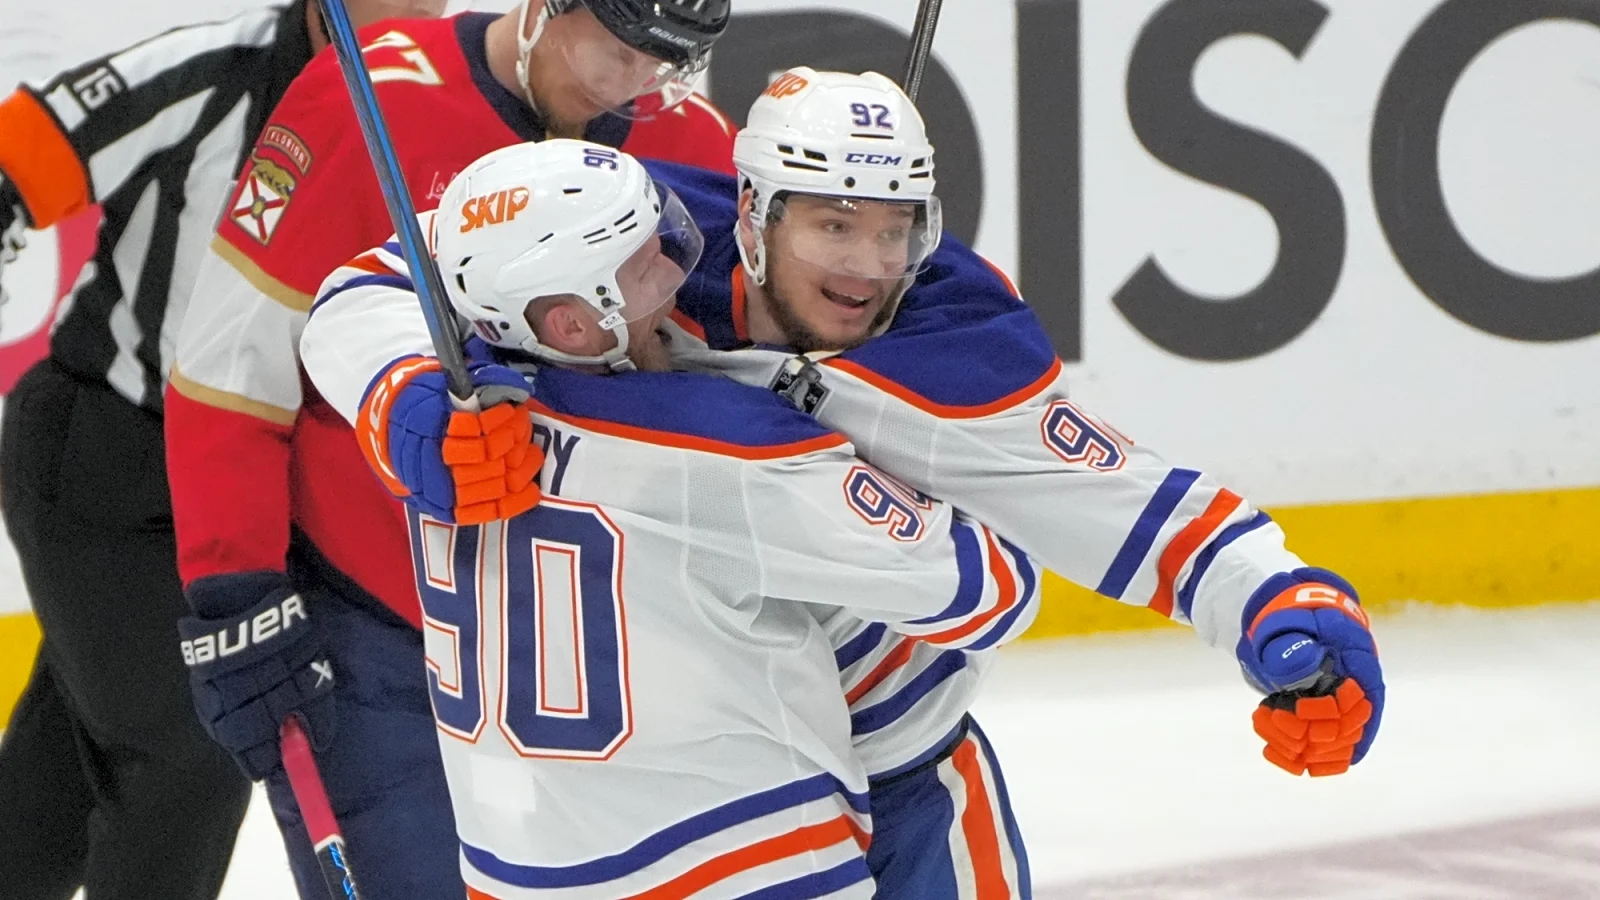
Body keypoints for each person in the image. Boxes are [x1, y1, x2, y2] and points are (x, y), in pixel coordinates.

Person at [298, 137, 1042, 899]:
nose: (678, 271)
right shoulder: (726, 450)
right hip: (755, 860)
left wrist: (396, 389)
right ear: (572, 324)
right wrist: (899, 446)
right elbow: (993, 592)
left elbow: (362, 292)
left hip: (520, 872)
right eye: (642, 263)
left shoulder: (455, 434)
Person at [659, 66, 1386, 784]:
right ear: (754, 214)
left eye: (894, 232)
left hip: (900, 769)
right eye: (834, 227)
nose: (868, 269)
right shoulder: (644, 264)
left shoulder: (952, 356)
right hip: (687, 767)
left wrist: (1285, 601)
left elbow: (1135, 507)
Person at [165, 2, 734, 897]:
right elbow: (229, 366)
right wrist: (234, 587)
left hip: (596, 658)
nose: (631, 85)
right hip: (375, 635)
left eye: (663, 63)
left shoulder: (690, 139)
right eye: (616, 51)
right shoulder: (366, 96)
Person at [0, 3, 444, 898]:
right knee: (194, 744)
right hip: (106, 456)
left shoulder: (433, 97)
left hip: (245, 483)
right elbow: (21, 152)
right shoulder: (217, 70)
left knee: (73, 754)